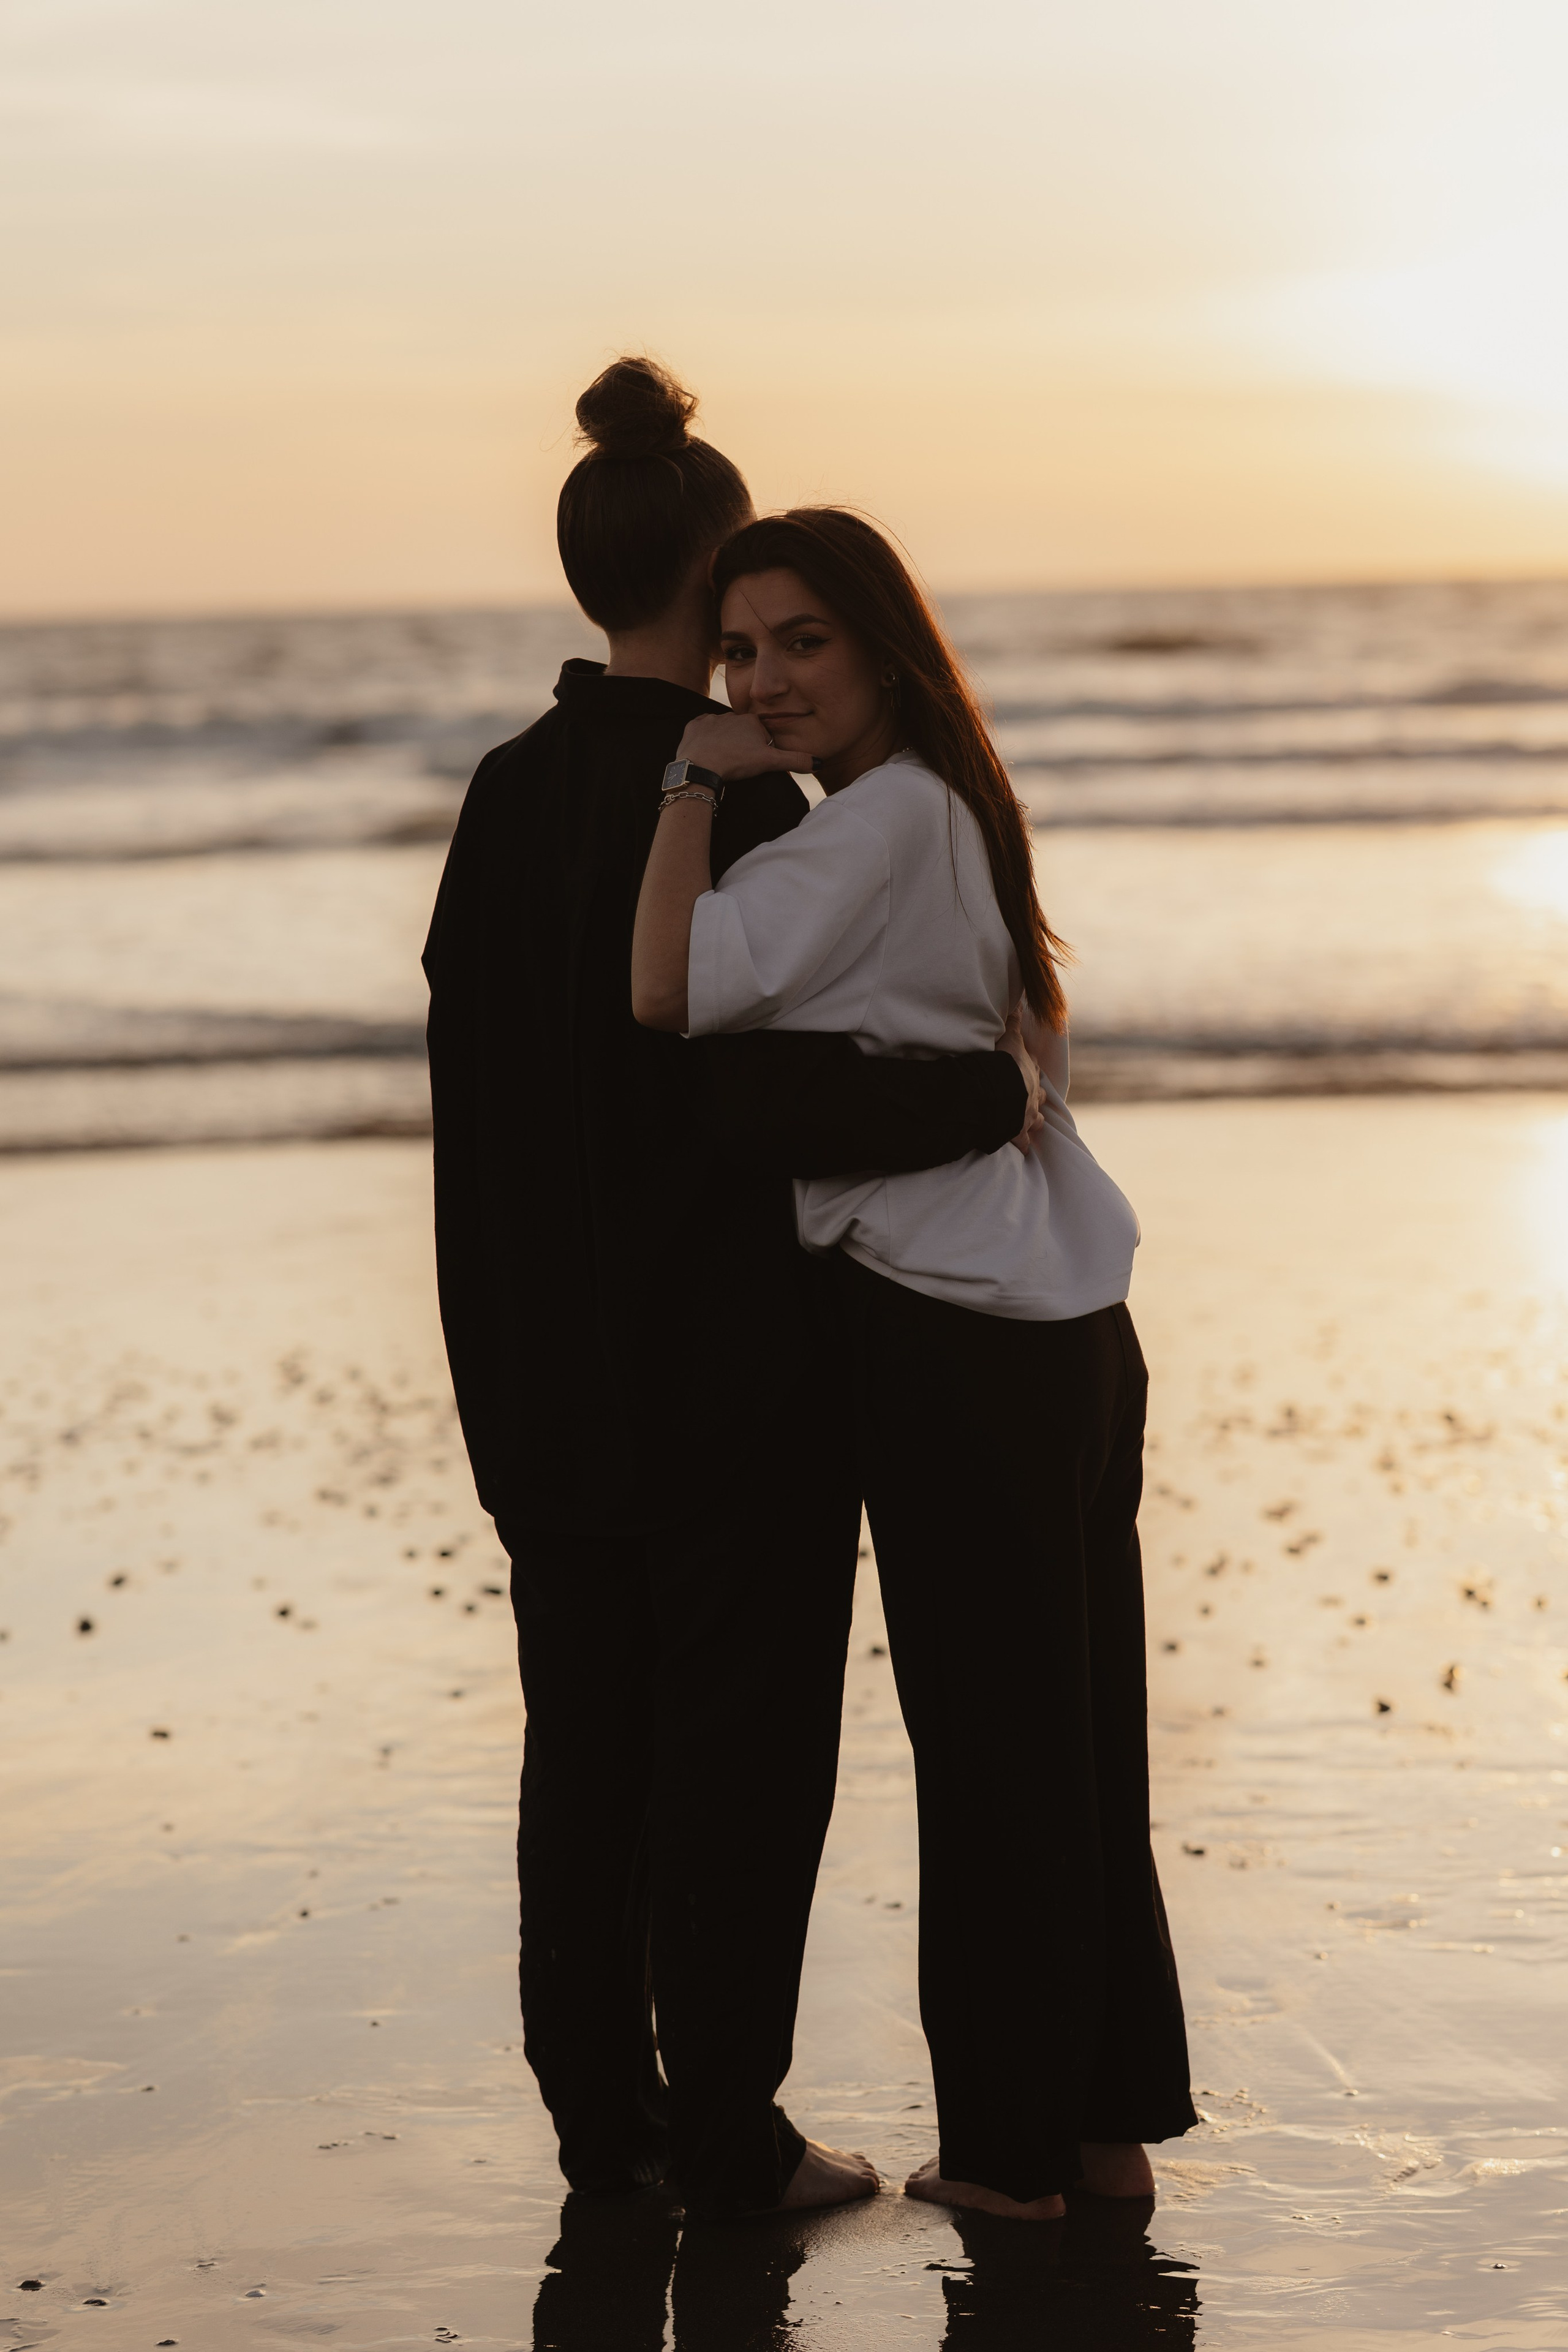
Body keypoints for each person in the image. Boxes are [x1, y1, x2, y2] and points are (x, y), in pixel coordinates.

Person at [422, 363, 1039, 2221]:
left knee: (582, 1763)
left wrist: (495, 1362)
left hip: (537, 1377)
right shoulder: (748, 807)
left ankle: (602, 2135)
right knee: (742, 1777)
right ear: (716, 573)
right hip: (729, 1385)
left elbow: (473, 1111)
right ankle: (732, 2136)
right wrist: (992, 1087)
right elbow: (777, 1094)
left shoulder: (504, 797)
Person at [631, 506, 1199, 2221]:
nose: (763, 681)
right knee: (1078, 1742)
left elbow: (662, 986)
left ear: (881, 640)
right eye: (738, 651)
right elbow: (1027, 1061)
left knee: (995, 1747)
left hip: (958, 1337)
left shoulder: (869, 829)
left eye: (801, 641)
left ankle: (1023, 2158)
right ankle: (1100, 2135)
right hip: (1071, 1330)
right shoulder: (960, 809)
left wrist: (683, 774)